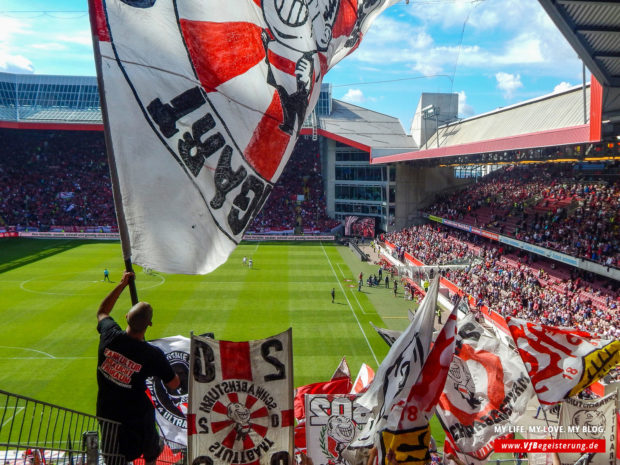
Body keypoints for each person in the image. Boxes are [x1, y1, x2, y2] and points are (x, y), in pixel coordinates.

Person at [96, 271, 180, 465]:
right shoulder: (152, 355)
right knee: (150, 447)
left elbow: (102, 312)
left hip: (107, 413)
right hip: (136, 419)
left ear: (126, 317)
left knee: (113, 456)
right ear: (149, 324)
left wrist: (122, 284)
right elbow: (174, 383)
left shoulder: (110, 335)